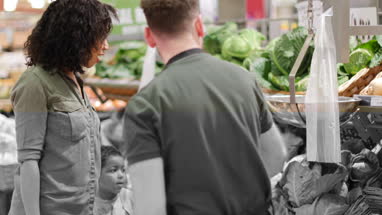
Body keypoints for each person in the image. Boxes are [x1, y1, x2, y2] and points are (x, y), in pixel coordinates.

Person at [122, 0, 287, 215]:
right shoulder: (244, 79)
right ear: (200, 26)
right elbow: (277, 155)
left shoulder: (145, 104)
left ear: (149, 37)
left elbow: (150, 208)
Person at [8, 0, 117, 214]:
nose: (105, 46)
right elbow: (28, 161)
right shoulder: (35, 83)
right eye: (99, 37)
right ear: (77, 38)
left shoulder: (75, 81)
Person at [96, 146, 134, 215]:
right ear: (97, 172)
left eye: (123, 170)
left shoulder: (130, 198)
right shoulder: (86, 203)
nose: (121, 175)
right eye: (114, 170)